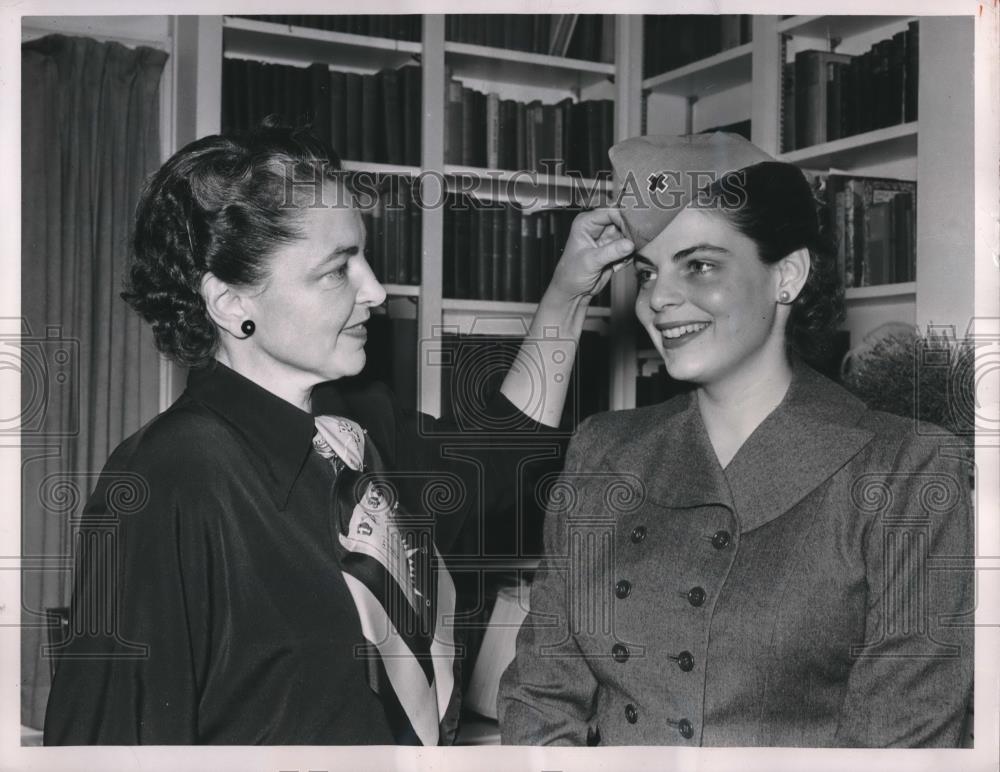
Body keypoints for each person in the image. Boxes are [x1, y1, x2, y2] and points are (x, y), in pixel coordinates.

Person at [42, 122, 635, 745]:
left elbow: (500, 457)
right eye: (337, 269)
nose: (375, 291)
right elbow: (104, 738)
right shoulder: (169, 478)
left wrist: (572, 287)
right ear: (230, 303)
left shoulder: (357, 426)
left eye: (365, 257)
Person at [497, 133, 974, 747]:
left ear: (788, 275)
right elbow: (540, 698)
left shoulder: (906, 468)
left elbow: (903, 743)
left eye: (699, 264)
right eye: (647, 272)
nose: (659, 299)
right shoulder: (603, 451)